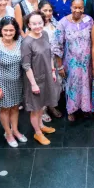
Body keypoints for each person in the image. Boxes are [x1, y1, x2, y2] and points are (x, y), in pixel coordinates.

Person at [21, 11, 59, 145]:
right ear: (29, 25)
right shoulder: (27, 42)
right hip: (35, 78)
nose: (37, 26)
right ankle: (37, 133)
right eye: (34, 24)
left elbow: (49, 55)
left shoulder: (45, 34)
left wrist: (53, 70)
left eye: (40, 23)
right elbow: (26, 65)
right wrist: (33, 84)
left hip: (47, 74)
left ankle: (41, 126)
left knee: (42, 104)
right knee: (36, 108)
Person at [52, 0, 93, 122]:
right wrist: (59, 66)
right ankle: (72, 110)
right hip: (71, 63)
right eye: (75, 7)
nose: (78, 10)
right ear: (71, 7)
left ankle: (85, 108)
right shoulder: (63, 23)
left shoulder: (89, 20)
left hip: (86, 63)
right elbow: (57, 46)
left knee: (86, 84)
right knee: (72, 86)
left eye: (80, 7)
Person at [0, 17, 26, 148]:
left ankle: (15, 130)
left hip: (17, 81)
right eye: (6, 30)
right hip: (2, 82)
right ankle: (8, 133)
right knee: (5, 109)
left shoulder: (20, 41)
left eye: (11, 30)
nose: (9, 33)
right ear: (1, 30)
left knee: (15, 107)